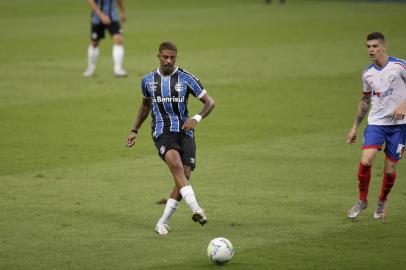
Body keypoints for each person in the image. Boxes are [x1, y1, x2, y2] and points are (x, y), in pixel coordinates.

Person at [126, 41, 215, 235]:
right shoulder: (148, 80)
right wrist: (134, 130)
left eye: (172, 58)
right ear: (158, 56)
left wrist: (196, 118)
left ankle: (162, 222)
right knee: (175, 165)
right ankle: (196, 209)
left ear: (176, 57)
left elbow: (210, 102)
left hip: (185, 131)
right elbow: (145, 106)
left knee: (184, 175)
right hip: (161, 131)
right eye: (165, 57)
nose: (168, 61)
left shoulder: (186, 78)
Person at [347, 32, 406, 220]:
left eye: (374, 46)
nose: (371, 49)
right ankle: (362, 201)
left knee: (389, 170)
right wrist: (355, 126)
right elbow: (365, 100)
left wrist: (404, 105)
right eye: (368, 46)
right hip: (377, 123)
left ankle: (382, 201)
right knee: (366, 161)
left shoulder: (399, 65)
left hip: (399, 126)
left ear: (384, 47)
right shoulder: (368, 73)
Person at [84, 0, 128, 77]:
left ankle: (118, 70)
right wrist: (101, 15)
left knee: (118, 39)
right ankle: (90, 69)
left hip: (113, 17)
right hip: (97, 18)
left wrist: (122, 12)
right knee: (95, 43)